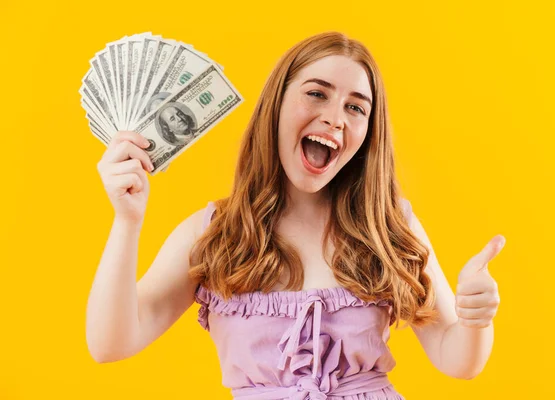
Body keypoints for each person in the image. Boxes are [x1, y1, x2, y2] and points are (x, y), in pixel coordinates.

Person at [87, 31, 505, 399]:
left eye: (356, 108)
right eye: (317, 93)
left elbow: (456, 360)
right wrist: (127, 222)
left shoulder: (387, 225)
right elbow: (110, 344)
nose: (335, 118)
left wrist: (476, 318)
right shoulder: (214, 233)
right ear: (277, 104)